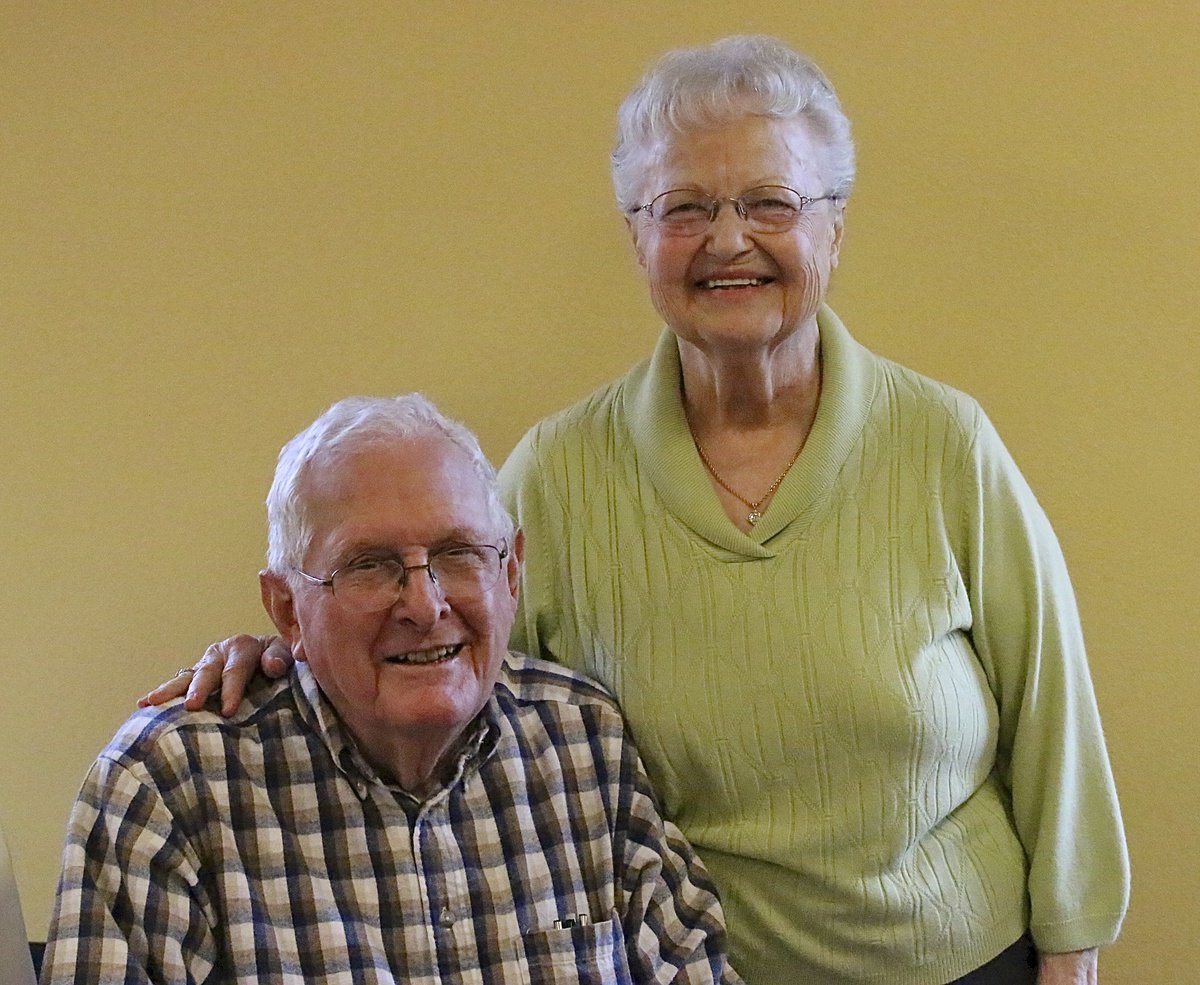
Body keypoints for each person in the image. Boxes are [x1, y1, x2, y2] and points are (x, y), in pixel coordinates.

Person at [143, 35, 1129, 985]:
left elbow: (1055, 713)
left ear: (835, 225)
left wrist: (1073, 951)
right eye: (684, 207)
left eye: (770, 203)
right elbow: (434, 664)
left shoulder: (945, 444)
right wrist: (286, 659)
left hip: (962, 964)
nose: (728, 239)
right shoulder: (559, 476)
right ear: (638, 237)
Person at [44, 395, 740, 984]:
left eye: (458, 553)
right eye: (371, 565)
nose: (425, 603)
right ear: (287, 609)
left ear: (512, 572)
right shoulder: (169, 791)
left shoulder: (581, 742)